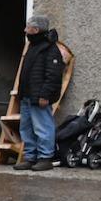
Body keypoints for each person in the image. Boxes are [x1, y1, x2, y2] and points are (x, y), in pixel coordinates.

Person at [13, 14, 69, 171]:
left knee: (43, 127)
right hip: (27, 96)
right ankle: (30, 157)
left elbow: (53, 76)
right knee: (27, 128)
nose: (25, 30)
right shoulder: (33, 47)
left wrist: (45, 95)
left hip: (39, 97)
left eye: (28, 27)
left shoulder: (50, 49)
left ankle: (45, 158)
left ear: (36, 29)